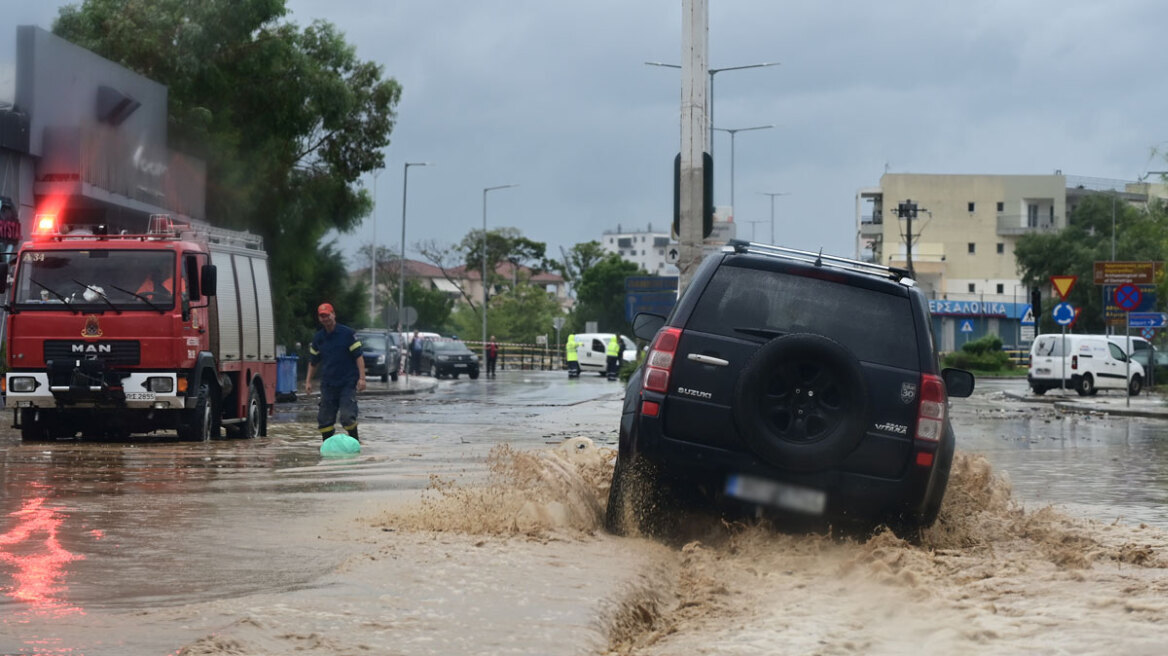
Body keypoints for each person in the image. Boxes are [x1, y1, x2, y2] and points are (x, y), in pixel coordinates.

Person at [304, 303, 366, 441]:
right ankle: (327, 446)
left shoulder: (348, 334)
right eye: (322, 316)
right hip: (328, 385)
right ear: (319, 318)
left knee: (347, 417)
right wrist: (308, 381)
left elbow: (359, 356)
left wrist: (362, 378)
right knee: (324, 420)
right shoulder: (319, 338)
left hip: (347, 383)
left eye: (327, 315)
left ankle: (355, 441)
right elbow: (313, 361)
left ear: (333, 315)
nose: (325, 319)